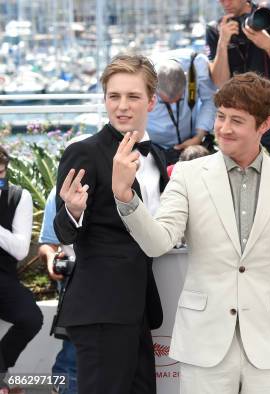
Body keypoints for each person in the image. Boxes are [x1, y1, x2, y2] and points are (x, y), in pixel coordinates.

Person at [112, 72, 270, 394]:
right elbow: (157, 243)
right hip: (203, 342)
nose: (223, 128)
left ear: (265, 125)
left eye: (236, 120)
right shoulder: (187, 174)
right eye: (220, 117)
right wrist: (126, 196)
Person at [53, 54, 169, 394]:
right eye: (113, 96)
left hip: (139, 306)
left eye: (132, 96)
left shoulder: (157, 156)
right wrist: (73, 210)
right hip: (101, 307)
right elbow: (65, 231)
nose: (122, 106)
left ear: (151, 100)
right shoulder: (84, 152)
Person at [206, 0, 270, 165]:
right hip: (237, 115)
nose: (225, 2)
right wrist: (222, 43)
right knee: (235, 172)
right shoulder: (216, 29)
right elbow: (220, 81)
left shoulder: (267, 14)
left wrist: (269, 46)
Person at [0, 145, 43, 394]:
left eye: (3, 173)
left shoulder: (19, 197)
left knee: (31, 318)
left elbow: (19, 250)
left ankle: (1, 368)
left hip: (4, 276)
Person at [39, 187, 78, 394]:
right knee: (73, 354)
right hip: (73, 281)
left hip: (116, 281)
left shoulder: (120, 183)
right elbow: (47, 244)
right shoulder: (58, 191)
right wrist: (52, 260)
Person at [147, 49, 217, 164]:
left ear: (186, 79)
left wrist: (199, 136)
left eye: (179, 99)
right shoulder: (141, 74)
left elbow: (210, 99)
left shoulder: (196, 64)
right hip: (156, 150)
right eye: (166, 102)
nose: (173, 105)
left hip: (194, 142)